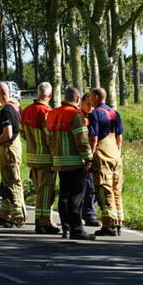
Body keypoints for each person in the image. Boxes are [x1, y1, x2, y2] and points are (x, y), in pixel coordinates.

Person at [47, 86, 96, 241]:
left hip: (59, 162)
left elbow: (49, 139)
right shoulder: (75, 115)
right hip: (75, 162)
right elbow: (81, 140)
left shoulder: (52, 114)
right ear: (77, 99)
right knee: (76, 197)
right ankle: (77, 229)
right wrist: (89, 159)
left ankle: (66, 228)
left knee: (64, 195)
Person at [21, 82, 60, 234]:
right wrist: (55, 156)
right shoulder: (46, 112)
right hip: (46, 159)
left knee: (40, 191)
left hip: (33, 158)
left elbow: (23, 133)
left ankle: (43, 220)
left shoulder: (26, 111)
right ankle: (43, 222)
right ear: (49, 96)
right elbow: (50, 137)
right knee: (46, 192)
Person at [88, 86, 125, 237]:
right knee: (116, 190)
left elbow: (94, 137)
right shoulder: (114, 113)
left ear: (96, 97)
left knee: (104, 190)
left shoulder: (95, 113)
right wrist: (118, 153)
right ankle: (118, 222)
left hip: (102, 155)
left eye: (90, 96)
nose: (89, 99)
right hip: (115, 154)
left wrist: (90, 156)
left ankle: (108, 225)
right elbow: (119, 138)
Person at [0, 82, 26, 228]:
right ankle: (4, 216)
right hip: (16, 147)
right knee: (7, 184)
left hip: (9, 149)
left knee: (12, 183)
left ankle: (17, 216)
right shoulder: (17, 106)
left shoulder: (6, 110)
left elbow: (8, 133)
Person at [79, 93, 102, 228]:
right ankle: (88, 214)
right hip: (84, 156)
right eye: (88, 103)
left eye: (92, 104)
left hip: (94, 156)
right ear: (81, 102)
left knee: (91, 186)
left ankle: (86, 211)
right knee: (89, 186)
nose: (90, 106)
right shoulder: (80, 117)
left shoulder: (93, 116)